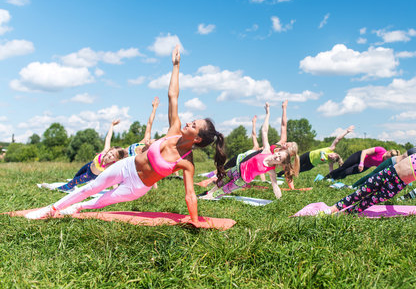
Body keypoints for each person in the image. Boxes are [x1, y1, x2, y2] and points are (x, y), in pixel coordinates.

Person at [26, 44, 226, 225]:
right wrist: (176, 66)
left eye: (193, 125)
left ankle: (78, 207)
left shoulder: (186, 162)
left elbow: (190, 194)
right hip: (127, 166)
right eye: (192, 121)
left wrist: (194, 220)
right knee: (89, 188)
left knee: (99, 202)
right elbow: (173, 96)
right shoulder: (174, 129)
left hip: (136, 187)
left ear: (197, 138)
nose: (189, 122)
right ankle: (50, 210)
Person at [322, 101, 416, 216]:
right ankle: (333, 209)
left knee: (369, 201)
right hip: (387, 173)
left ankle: (345, 214)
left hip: (396, 185)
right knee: (361, 192)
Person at [201, 102, 299, 199]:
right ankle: (208, 189)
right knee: (223, 176)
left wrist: (289, 190)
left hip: (248, 173)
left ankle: (209, 194)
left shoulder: (277, 164)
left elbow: (283, 177)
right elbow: (267, 130)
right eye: (286, 143)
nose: (284, 144)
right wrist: (269, 113)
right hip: (246, 161)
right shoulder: (269, 149)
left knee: (225, 186)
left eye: (287, 145)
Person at [351, 104, 416, 188]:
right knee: (373, 174)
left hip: (398, 170)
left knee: (381, 182)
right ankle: (354, 186)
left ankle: (364, 188)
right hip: (393, 161)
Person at [40, 120, 127, 192]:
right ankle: (73, 185)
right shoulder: (105, 151)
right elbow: (108, 137)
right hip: (88, 166)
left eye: (113, 156)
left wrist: (115, 190)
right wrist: (112, 125)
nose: (110, 155)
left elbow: (113, 179)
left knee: (72, 183)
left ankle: (54, 189)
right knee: (76, 177)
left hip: (90, 175)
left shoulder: (111, 166)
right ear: (110, 150)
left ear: (116, 159)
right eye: (111, 152)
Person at [324, 145, 399, 181]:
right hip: (359, 157)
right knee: (343, 168)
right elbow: (364, 151)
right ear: (388, 152)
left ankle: (332, 180)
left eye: (388, 159)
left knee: (346, 172)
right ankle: (325, 178)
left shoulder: (385, 162)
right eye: (387, 156)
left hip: (365, 166)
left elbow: (378, 170)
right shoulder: (380, 150)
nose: (386, 159)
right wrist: (361, 163)